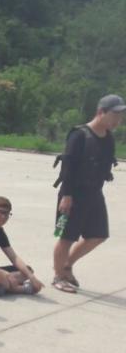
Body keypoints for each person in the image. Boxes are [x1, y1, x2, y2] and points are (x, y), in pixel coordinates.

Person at [52, 94, 124, 293]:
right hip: (72, 194)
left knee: (99, 234)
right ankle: (58, 276)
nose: (118, 120)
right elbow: (68, 167)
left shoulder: (108, 138)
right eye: (115, 115)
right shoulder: (79, 134)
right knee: (66, 236)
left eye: (120, 116)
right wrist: (67, 195)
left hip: (94, 194)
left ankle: (67, 265)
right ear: (101, 112)